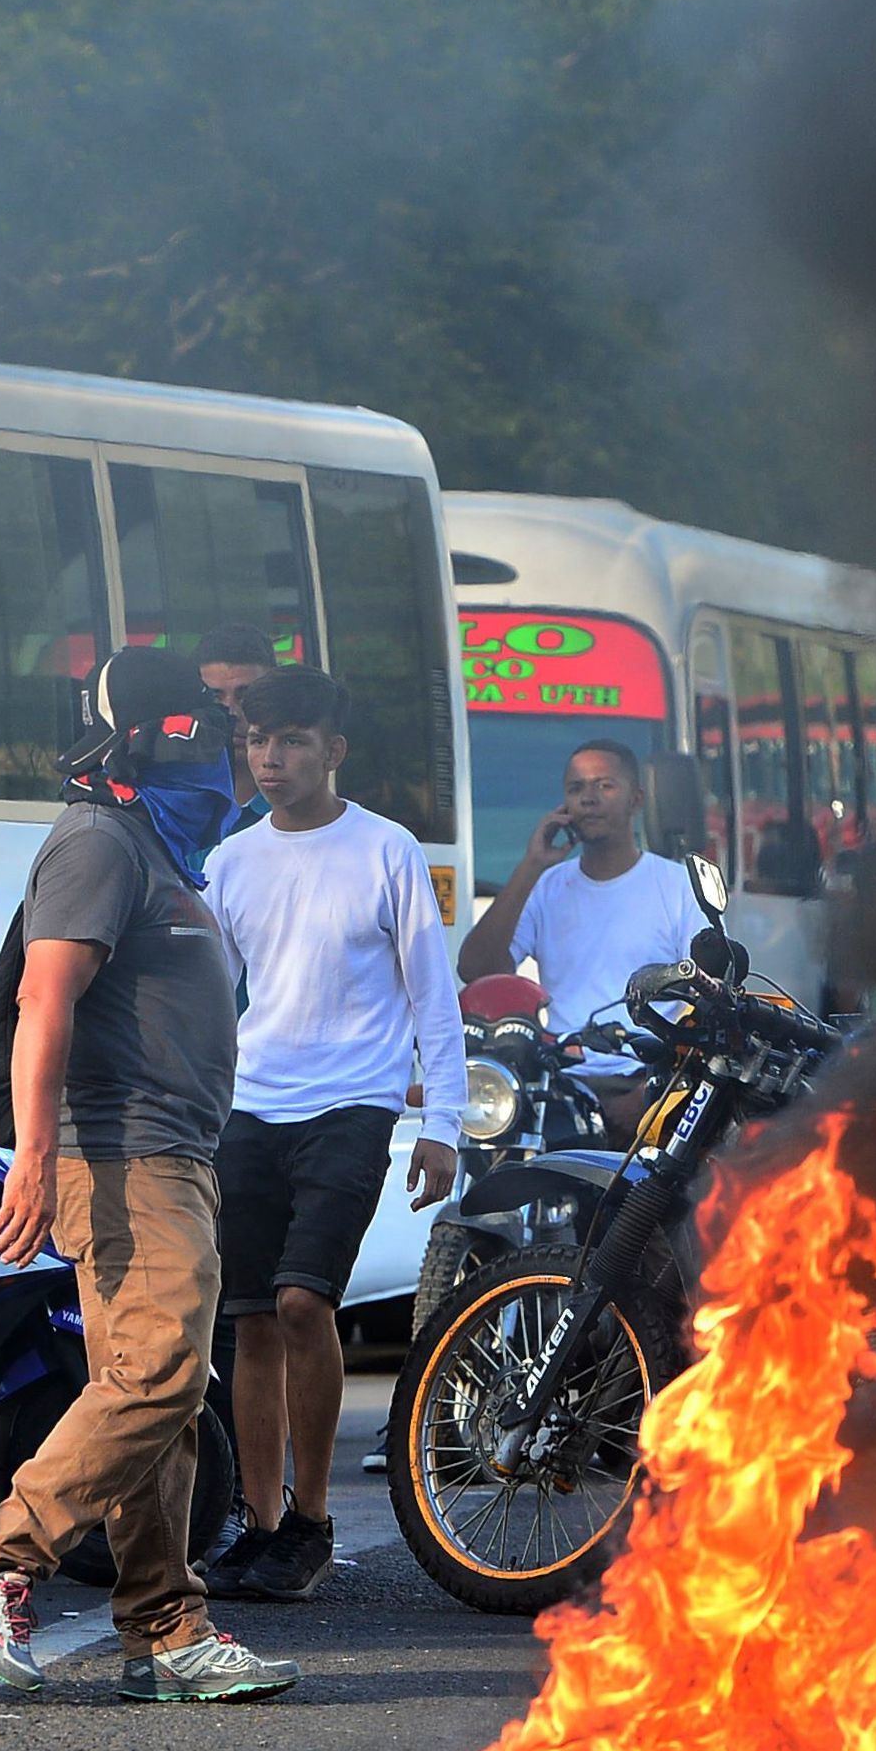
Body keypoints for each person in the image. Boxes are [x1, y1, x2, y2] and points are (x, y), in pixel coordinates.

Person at [0, 646, 299, 1703]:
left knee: (158, 1405)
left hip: (170, 1154)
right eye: (205, 727)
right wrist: (33, 1163)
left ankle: (163, 1633)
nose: (225, 751)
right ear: (147, 735)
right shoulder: (96, 843)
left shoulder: (153, 848)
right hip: (121, 1155)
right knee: (164, 1372)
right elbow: (47, 1000)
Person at [203, 669, 461, 1600]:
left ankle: (310, 1518)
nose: (271, 757)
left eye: (292, 740)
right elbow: (210, 995)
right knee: (250, 1321)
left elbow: (434, 994)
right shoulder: (232, 860)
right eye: (257, 740)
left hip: (353, 1106)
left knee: (305, 1304)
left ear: (333, 750)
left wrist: (443, 1123)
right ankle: (260, 1520)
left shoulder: (386, 850)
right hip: (251, 1104)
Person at [456, 738, 707, 1133]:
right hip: (560, 1084)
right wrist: (532, 865)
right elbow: (476, 968)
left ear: (636, 799)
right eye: (576, 789)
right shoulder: (545, 885)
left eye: (605, 785)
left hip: (650, 1082)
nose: (588, 799)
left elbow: (708, 998)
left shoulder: (678, 886)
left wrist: (652, 1092)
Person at [194, 623, 282, 840]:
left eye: (247, 695)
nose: (231, 712)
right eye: (215, 697)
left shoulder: (294, 808)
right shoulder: (179, 808)